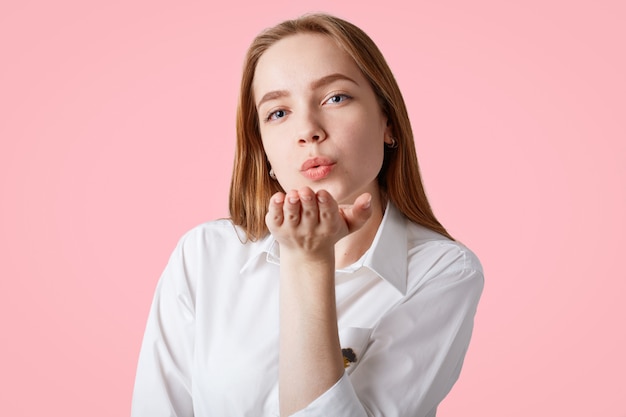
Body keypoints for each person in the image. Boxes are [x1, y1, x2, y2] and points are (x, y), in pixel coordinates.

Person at [131, 13, 483, 417]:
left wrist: (308, 261)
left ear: (388, 121)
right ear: (263, 150)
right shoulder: (204, 255)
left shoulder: (443, 270)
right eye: (278, 113)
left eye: (336, 98)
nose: (308, 130)